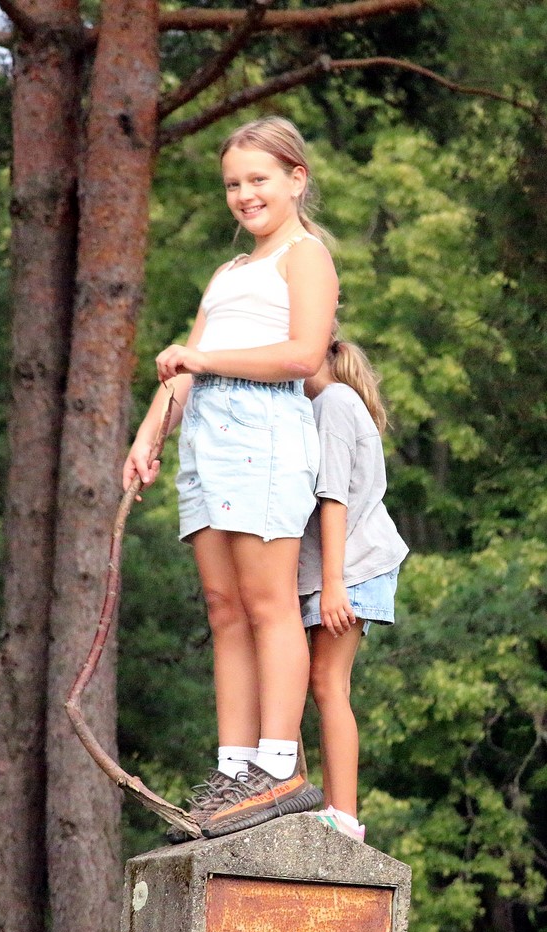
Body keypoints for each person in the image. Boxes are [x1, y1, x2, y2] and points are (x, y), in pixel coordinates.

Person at [123, 116, 335, 840]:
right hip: (207, 448)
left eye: (258, 179)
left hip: (265, 438)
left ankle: (278, 766)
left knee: (269, 602)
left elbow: (303, 355)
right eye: (233, 184)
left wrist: (202, 360)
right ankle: (235, 766)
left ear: (296, 179)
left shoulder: (305, 257)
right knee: (225, 609)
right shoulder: (230, 273)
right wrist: (148, 437)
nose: (245, 195)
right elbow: (186, 369)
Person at [298, 338, 410, 843]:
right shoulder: (325, 404)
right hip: (338, 570)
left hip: (351, 568)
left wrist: (333, 585)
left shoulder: (334, 403)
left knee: (328, 682)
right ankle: (322, 805)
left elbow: (335, 499)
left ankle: (342, 817)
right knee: (316, 682)